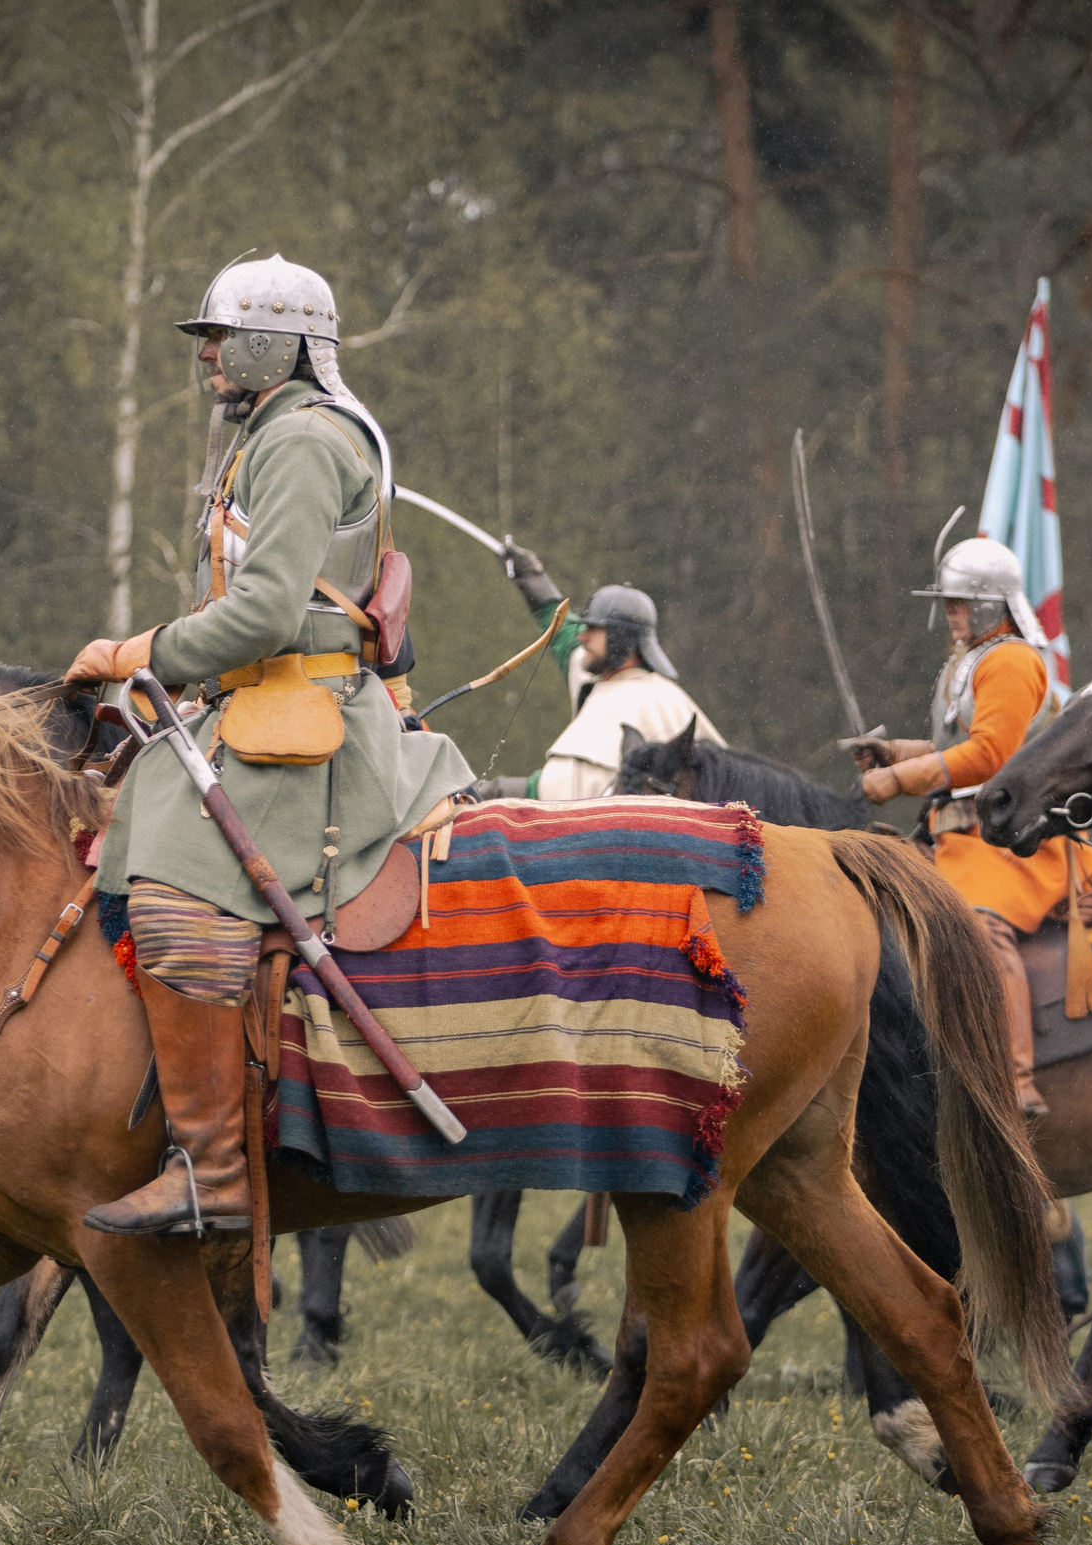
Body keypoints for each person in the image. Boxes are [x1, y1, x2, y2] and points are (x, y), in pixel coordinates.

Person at [66, 254, 472, 1237]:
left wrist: (132, 651)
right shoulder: (278, 435)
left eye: (217, 340)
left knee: (164, 867)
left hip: (305, 721)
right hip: (263, 705)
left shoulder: (298, 441)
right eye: (204, 342)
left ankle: (211, 1168)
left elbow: (261, 612)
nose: (206, 360)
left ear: (273, 343)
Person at [850, 532, 1092, 1119]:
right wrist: (895, 754)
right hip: (957, 831)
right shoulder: (968, 661)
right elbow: (950, 746)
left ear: (990, 604)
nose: (950, 614)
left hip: (1006, 838)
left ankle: (1015, 1080)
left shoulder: (1010, 660)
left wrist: (900, 782)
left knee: (977, 927)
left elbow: (991, 756)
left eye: (959, 602)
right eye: (947, 603)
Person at [475, 549, 723, 800]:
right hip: (546, 807)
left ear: (621, 639)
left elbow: (719, 777)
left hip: (608, 829)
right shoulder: (593, 681)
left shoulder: (665, 700)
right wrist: (531, 576)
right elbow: (562, 634)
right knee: (472, 797)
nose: (583, 636)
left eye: (594, 629)